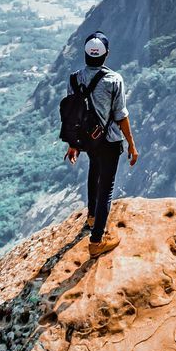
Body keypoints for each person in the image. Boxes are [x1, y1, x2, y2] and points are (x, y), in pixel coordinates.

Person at [65, 31, 138, 257]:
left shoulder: (74, 78)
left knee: (94, 170)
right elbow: (121, 116)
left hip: (88, 140)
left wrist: (73, 144)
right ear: (106, 55)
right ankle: (96, 241)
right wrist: (132, 145)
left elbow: (72, 115)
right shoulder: (113, 80)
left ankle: (92, 216)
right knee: (106, 187)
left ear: (86, 54)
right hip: (108, 140)